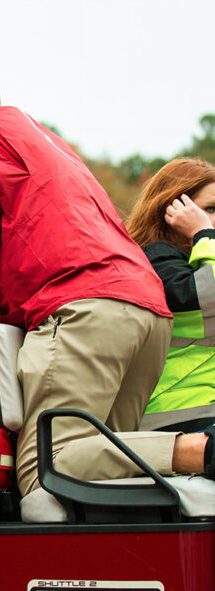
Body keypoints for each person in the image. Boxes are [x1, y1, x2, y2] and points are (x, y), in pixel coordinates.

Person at [0, 54, 212, 496]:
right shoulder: (46, 141)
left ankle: (201, 450)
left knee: (49, 470)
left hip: (83, 308)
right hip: (145, 310)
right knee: (107, 479)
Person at [126, 158, 215, 433]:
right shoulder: (156, 261)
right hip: (177, 414)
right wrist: (204, 233)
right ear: (172, 210)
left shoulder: (201, 258)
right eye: (210, 209)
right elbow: (207, 294)